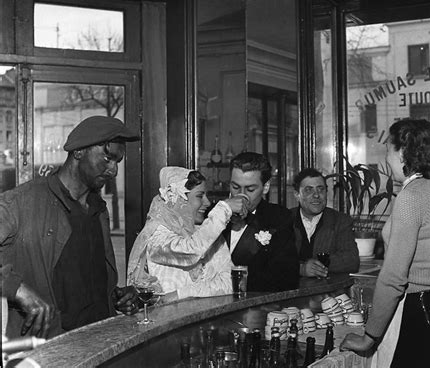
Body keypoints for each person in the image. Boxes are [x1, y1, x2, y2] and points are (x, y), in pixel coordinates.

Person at [0, 115, 140, 339]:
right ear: (78, 151)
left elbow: (82, 282)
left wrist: (116, 297)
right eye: (107, 158)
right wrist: (16, 289)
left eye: (117, 162)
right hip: (49, 351)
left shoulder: (98, 210)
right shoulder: (23, 202)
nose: (113, 170)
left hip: (99, 343)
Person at [341, 119, 430, 368]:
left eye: (388, 149)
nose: (386, 158)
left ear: (403, 151)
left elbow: (394, 277)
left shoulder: (411, 195)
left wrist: (369, 337)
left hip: (416, 316)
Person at [127, 166, 248, 302]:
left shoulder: (206, 232)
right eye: (200, 196)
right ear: (179, 199)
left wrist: (181, 294)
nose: (207, 202)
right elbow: (190, 251)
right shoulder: (155, 236)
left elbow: (230, 282)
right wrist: (224, 209)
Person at [224, 152, 299, 292]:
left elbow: (287, 278)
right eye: (235, 187)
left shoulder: (279, 219)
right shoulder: (213, 214)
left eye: (250, 189)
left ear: (266, 187)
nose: (241, 195)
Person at [290, 168, 359, 278]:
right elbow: (272, 260)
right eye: (309, 190)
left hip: (329, 291)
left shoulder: (340, 221)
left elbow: (351, 260)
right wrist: (301, 268)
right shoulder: (285, 219)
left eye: (320, 189)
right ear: (297, 195)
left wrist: (316, 265)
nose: (316, 195)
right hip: (289, 292)